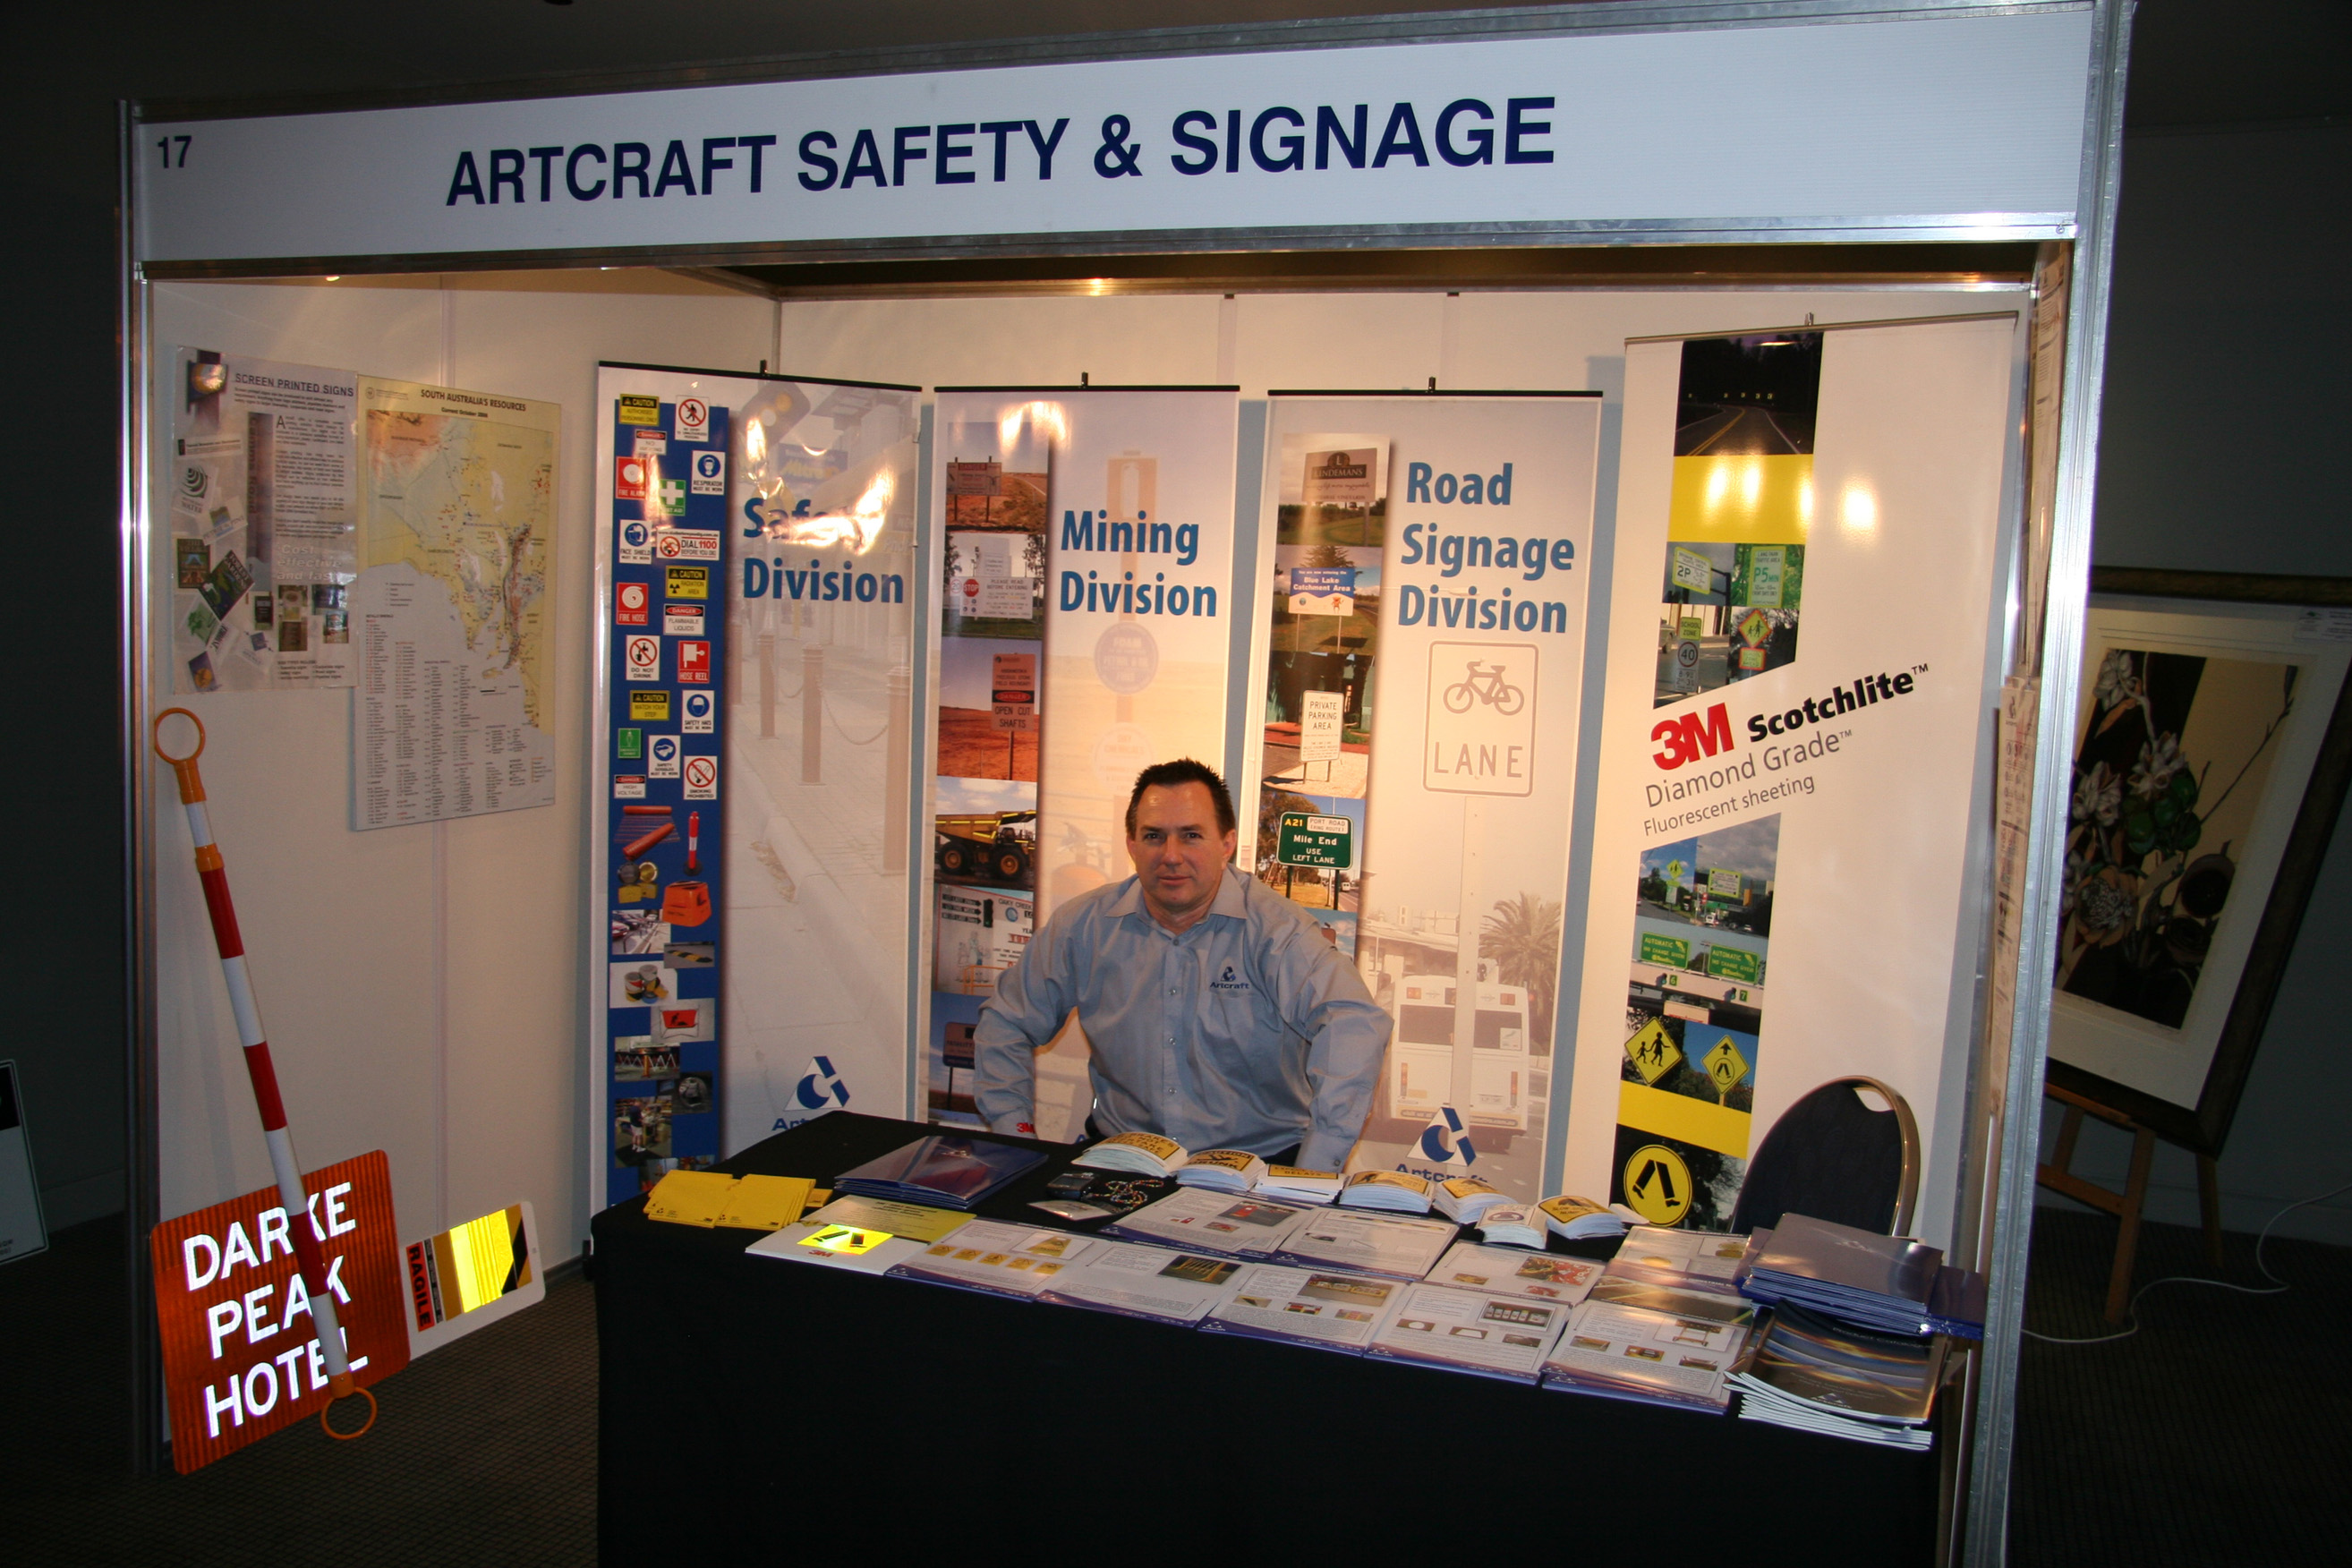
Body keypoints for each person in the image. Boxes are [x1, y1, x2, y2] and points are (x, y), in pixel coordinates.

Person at [973, 758, 1391, 1172]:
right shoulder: (1082, 926)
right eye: (1154, 836)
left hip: (1253, 1168)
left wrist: (1313, 1170)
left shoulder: (1278, 931)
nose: (1171, 856)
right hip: (1121, 1159)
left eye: (1191, 835)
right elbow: (1007, 1022)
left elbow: (1353, 1023)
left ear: (1226, 844)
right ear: (1132, 845)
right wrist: (1016, 1136)